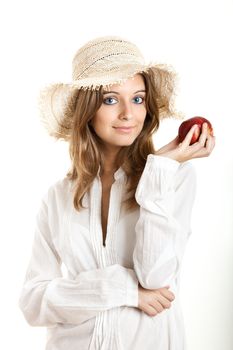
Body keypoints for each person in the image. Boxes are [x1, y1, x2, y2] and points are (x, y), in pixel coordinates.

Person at [18, 36, 215, 350]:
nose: (128, 113)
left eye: (138, 98)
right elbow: (34, 302)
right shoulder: (56, 198)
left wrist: (158, 171)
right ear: (87, 110)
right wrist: (123, 289)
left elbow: (155, 278)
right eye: (111, 99)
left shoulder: (173, 179)